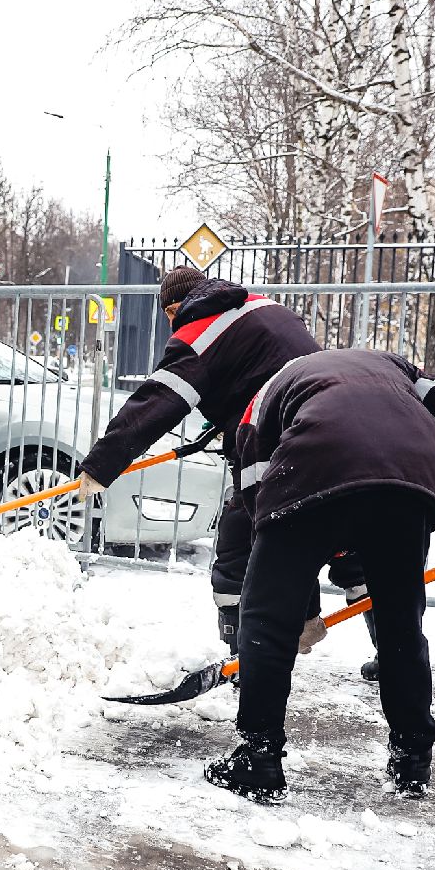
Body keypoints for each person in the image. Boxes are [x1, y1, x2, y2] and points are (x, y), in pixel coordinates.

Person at [210, 349, 435, 803]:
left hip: (316, 463)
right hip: (409, 482)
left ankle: (257, 759)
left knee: (265, 621)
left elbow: (259, 503)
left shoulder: (261, 401)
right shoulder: (398, 373)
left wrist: (296, 609)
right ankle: (412, 760)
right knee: (400, 626)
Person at [78, 267, 359, 659]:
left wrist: (100, 465)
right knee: (349, 547)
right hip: (344, 432)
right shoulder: (265, 308)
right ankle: (392, 649)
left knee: (241, 547)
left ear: (176, 308)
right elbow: (264, 372)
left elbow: (156, 401)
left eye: (168, 317)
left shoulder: (198, 334)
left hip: (279, 445)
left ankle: (246, 658)